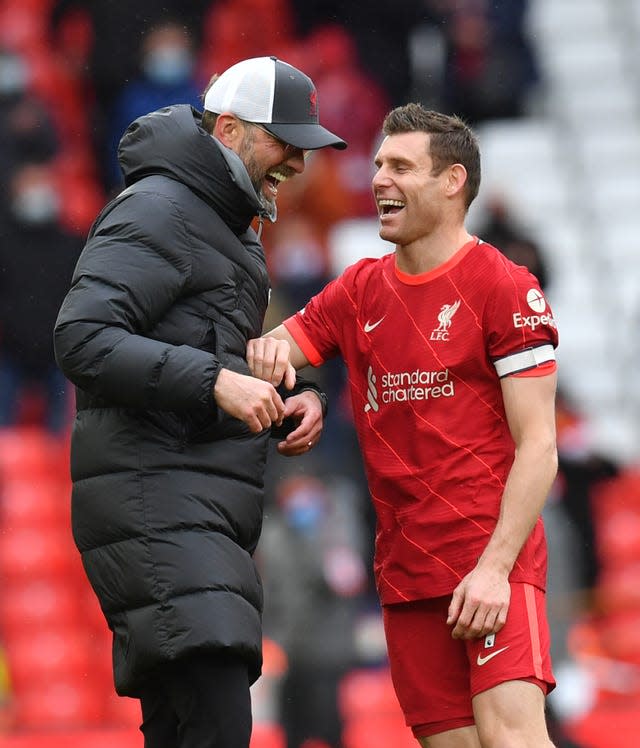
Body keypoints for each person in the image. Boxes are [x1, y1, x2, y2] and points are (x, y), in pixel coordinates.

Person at [53, 56, 345, 748]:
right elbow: (81, 337)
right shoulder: (163, 207)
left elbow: (202, 353)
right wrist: (215, 381)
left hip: (191, 504)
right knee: (215, 716)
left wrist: (287, 395)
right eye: (286, 142)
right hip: (158, 500)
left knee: (187, 725)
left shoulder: (223, 223)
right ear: (231, 129)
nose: (299, 164)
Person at [247, 103, 560, 747]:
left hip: (488, 561)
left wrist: (496, 569)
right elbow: (271, 351)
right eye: (378, 164)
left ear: (452, 182)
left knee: (513, 740)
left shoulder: (504, 287)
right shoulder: (359, 289)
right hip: (406, 571)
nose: (380, 179)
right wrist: (303, 390)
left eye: (400, 166)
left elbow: (541, 447)